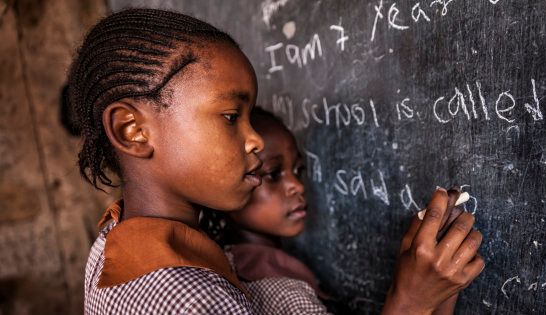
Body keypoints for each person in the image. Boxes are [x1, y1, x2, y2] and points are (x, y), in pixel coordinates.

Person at [69, 8, 484, 315]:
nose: (253, 140)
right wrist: (408, 301)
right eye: (231, 117)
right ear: (132, 131)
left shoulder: (120, 242)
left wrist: (434, 294)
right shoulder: (187, 299)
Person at [220, 108, 470, 314]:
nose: (297, 186)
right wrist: (411, 299)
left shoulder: (257, 263)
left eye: (298, 170)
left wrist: (436, 286)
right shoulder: (274, 289)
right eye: (273, 174)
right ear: (226, 181)